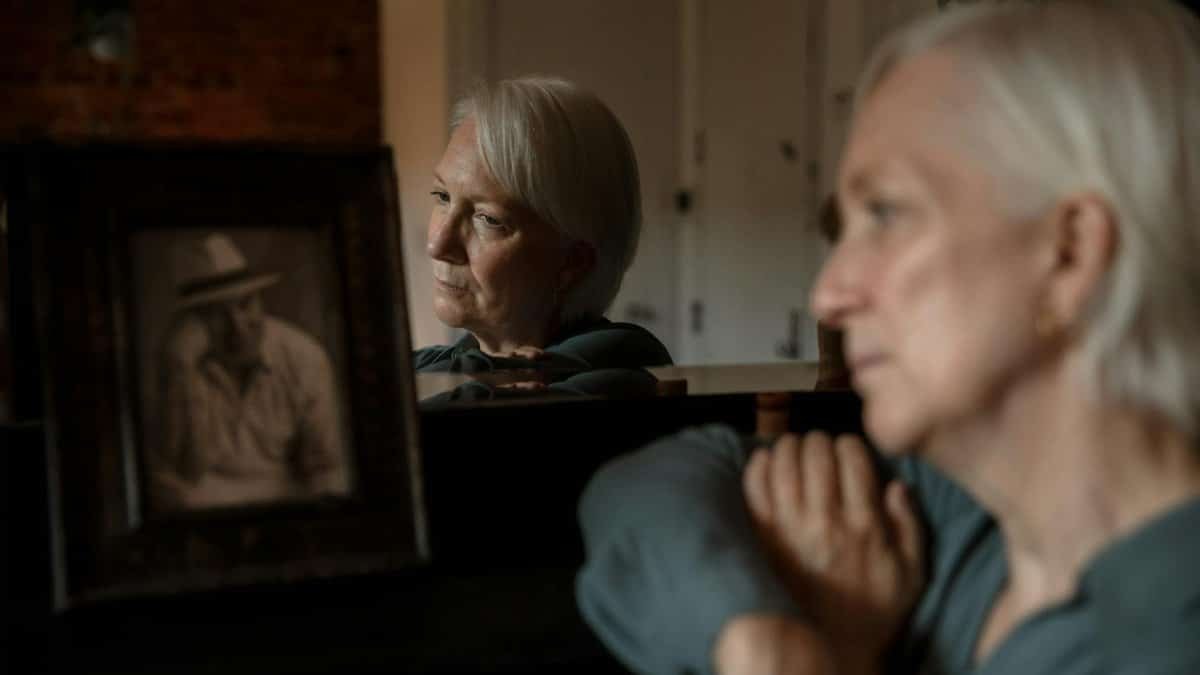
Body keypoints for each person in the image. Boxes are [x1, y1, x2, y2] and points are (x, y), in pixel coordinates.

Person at [576, 2, 1200, 674]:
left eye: (886, 213)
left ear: (1070, 251)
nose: (828, 295)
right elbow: (649, 486)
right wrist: (777, 645)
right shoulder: (943, 511)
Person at [413, 77, 673, 380]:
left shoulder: (620, 373)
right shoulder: (440, 364)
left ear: (572, 262)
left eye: (489, 219)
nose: (438, 245)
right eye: (442, 197)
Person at [152, 233, 349, 511]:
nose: (238, 327)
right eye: (216, 314)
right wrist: (179, 370)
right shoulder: (181, 363)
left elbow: (327, 470)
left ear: (260, 300)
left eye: (245, 304)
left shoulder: (303, 357)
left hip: (289, 510)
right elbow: (181, 470)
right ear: (193, 322)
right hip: (203, 514)